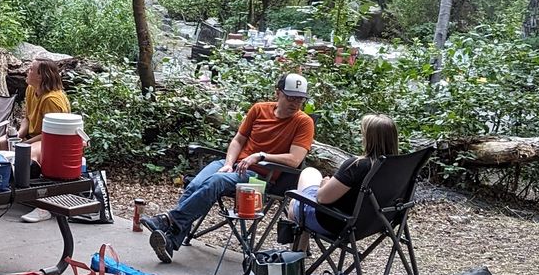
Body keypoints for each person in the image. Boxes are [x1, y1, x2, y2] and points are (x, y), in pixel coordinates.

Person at [142, 72, 315, 263]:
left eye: (299, 99)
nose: (294, 103)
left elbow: (294, 159)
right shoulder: (259, 110)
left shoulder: (303, 122)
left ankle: (169, 220)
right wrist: (228, 164)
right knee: (195, 184)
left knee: (216, 181)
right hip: (233, 166)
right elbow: (238, 140)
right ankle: (171, 240)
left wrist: (260, 156)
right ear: (278, 93)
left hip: (260, 178)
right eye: (290, 97)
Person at [283, 114, 398, 242]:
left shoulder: (357, 165)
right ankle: (300, 253)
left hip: (337, 224)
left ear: (367, 138)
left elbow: (322, 198)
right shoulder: (396, 169)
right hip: (370, 225)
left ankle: (297, 256)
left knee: (297, 198)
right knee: (311, 174)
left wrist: (324, 185)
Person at [17, 57, 72, 222]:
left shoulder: (52, 100)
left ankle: (44, 206)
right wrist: (18, 136)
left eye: (31, 70)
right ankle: (5, 196)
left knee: (28, 153)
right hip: (34, 136)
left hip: (55, 141)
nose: (27, 71)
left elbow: (53, 133)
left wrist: (25, 144)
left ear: (41, 76)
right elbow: (26, 118)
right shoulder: (30, 89)